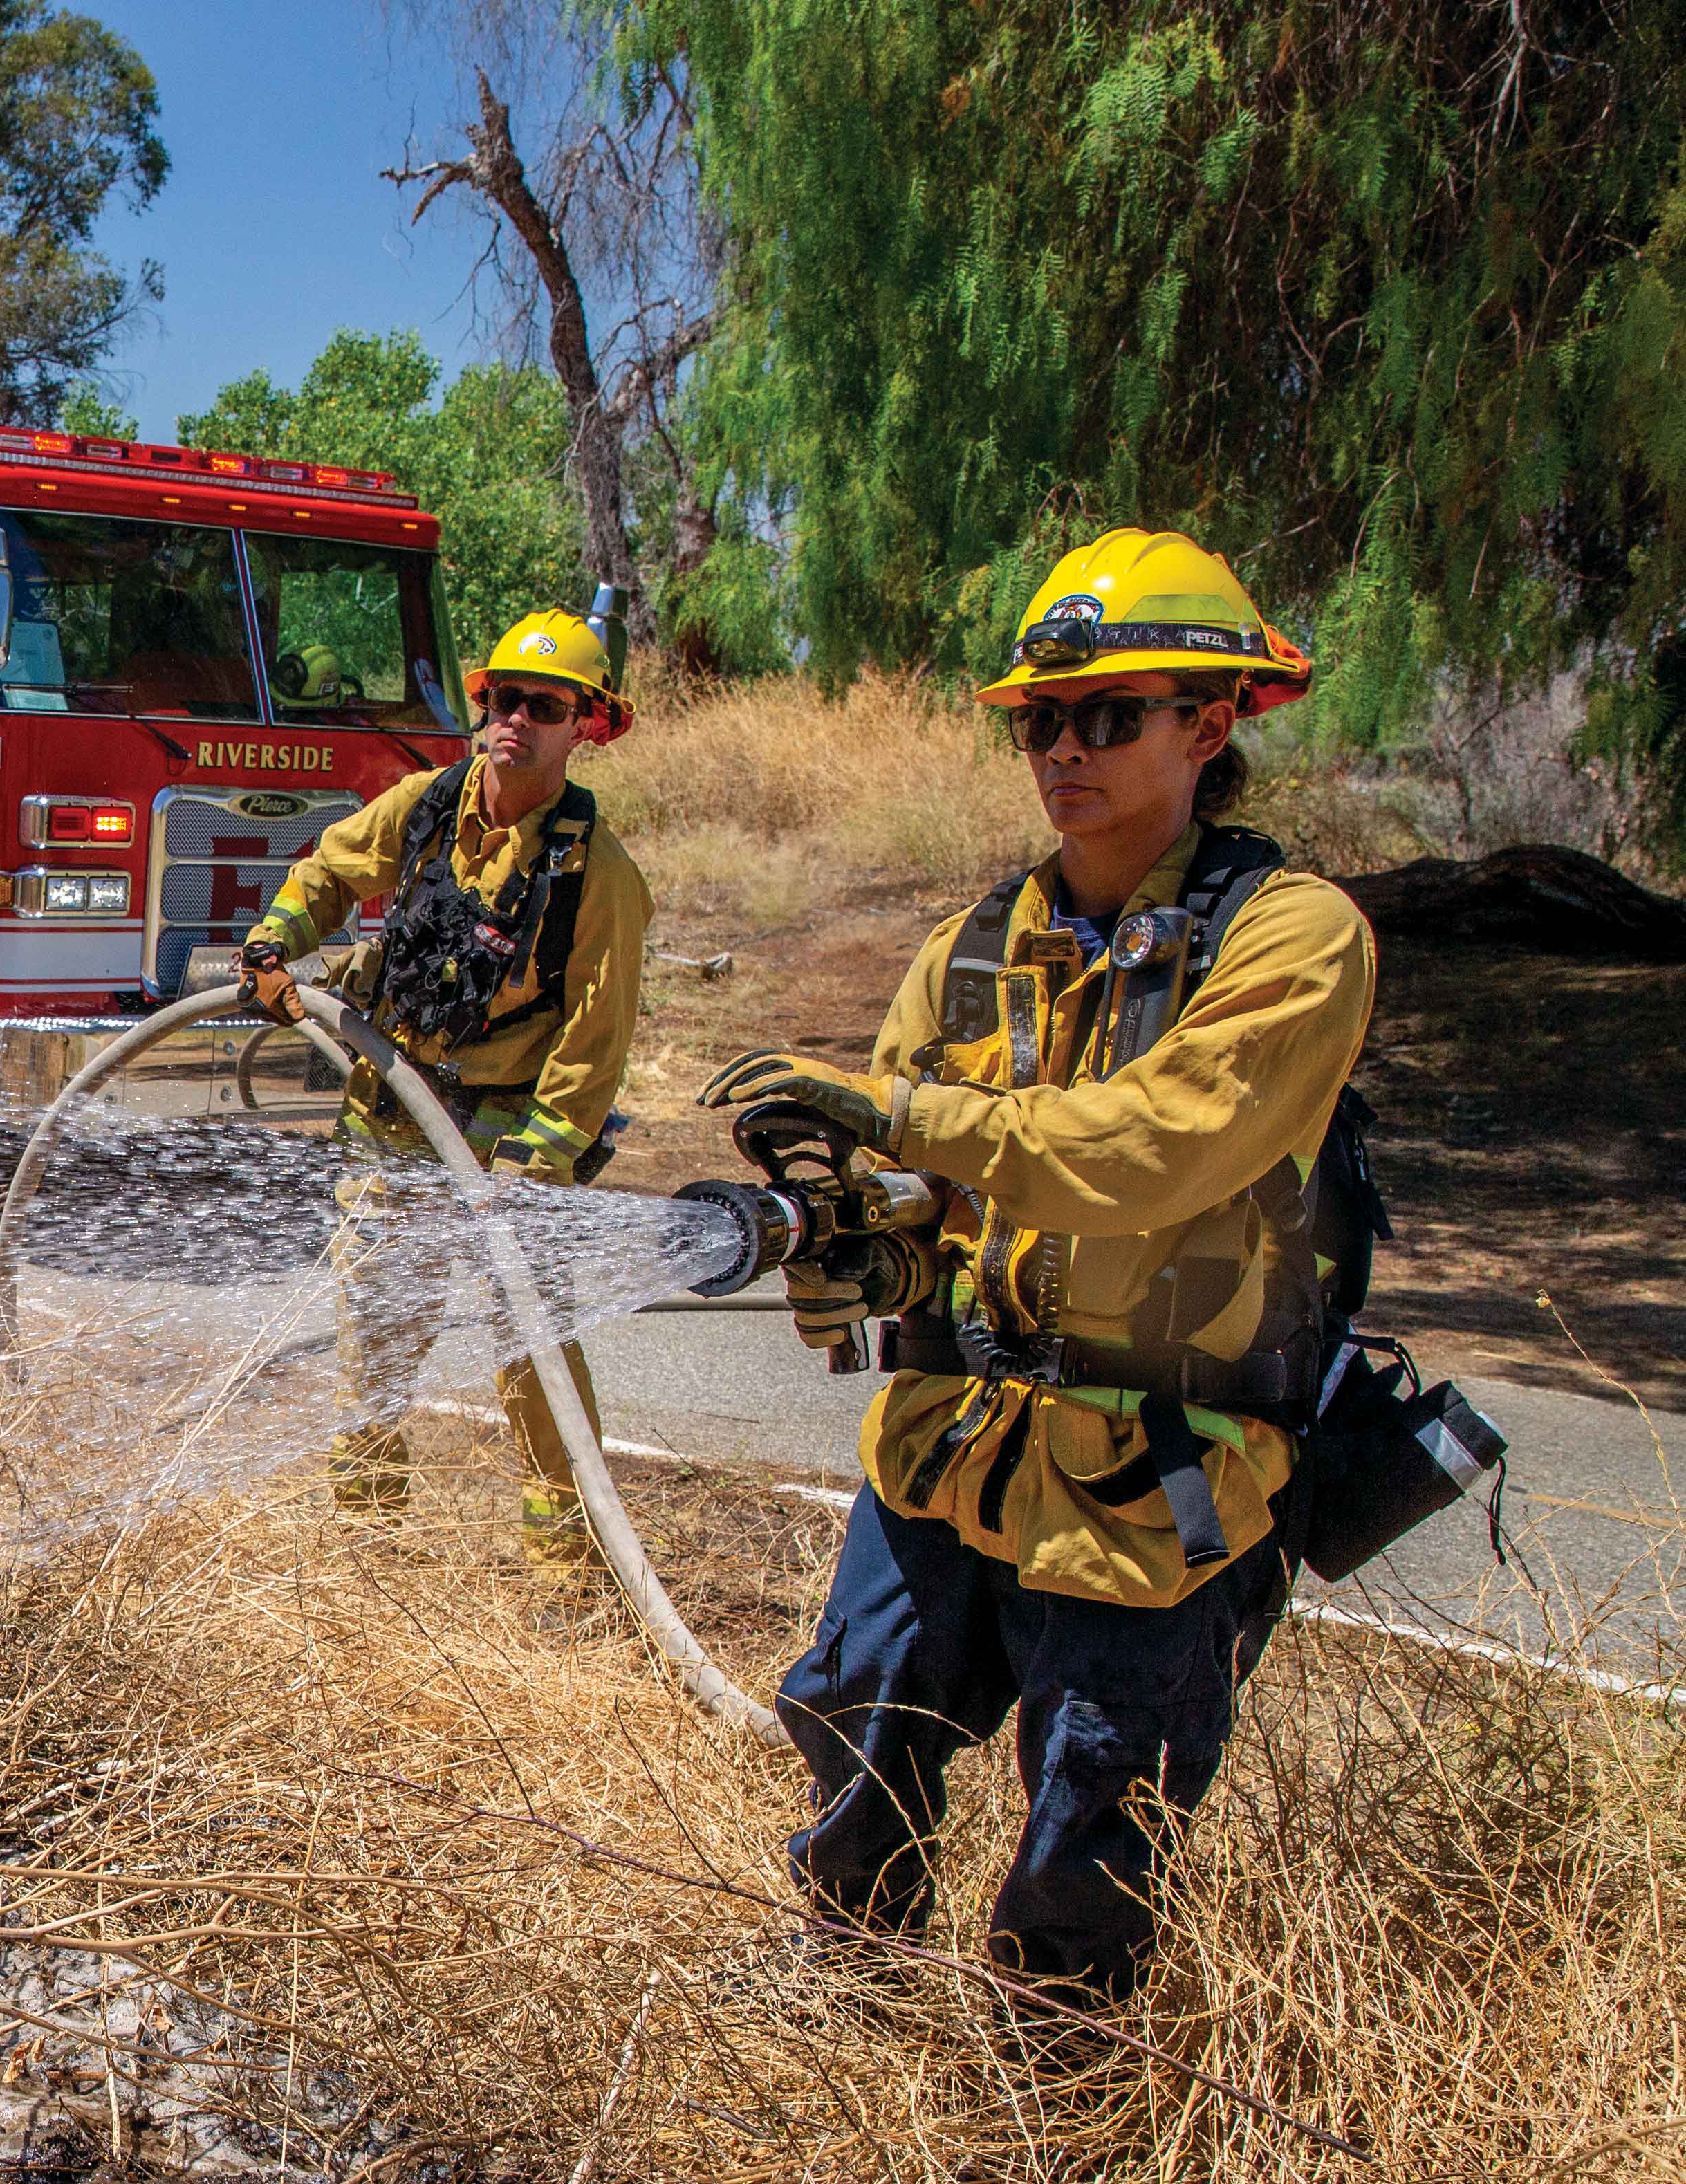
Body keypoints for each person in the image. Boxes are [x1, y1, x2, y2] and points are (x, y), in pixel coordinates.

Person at [696, 526, 1373, 2028]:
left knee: (1090, 1832)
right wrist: (846, 1243)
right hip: (952, 1454)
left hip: (1159, 1485)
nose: (1060, 748)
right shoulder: (971, 948)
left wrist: (912, 1121)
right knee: (857, 1731)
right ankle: (848, 2005)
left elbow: (1158, 1148)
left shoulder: (1297, 939)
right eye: (1038, 720)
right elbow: (917, 1197)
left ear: (1212, 724)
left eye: (1106, 715)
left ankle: (1054, 2116)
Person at [238, 607, 651, 1568]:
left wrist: (532, 1167)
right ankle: (367, 1543)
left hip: (505, 1133)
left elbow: (594, 1044)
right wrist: (275, 944)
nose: (516, 720)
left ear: (587, 723)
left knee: (531, 1338)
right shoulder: (427, 803)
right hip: (392, 1109)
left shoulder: (600, 877)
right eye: (504, 699)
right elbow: (331, 872)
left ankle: (567, 1555)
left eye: (544, 706)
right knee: (374, 1329)